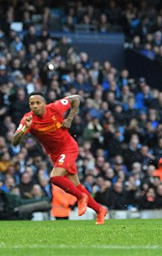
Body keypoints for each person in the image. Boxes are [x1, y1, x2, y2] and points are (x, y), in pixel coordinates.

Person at [12, 92, 108, 225]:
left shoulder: (55, 108)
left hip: (68, 148)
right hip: (55, 155)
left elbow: (76, 99)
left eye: (38, 103)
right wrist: (24, 130)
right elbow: (14, 141)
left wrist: (69, 118)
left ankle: (81, 198)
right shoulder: (28, 119)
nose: (35, 106)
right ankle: (99, 210)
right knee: (76, 185)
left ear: (44, 103)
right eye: (32, 104)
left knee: (55, 177)